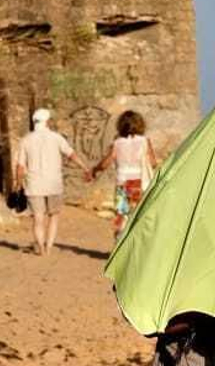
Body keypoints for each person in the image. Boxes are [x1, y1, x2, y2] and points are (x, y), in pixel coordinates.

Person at [85, 109, 158, 240]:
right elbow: (153, 163)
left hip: (122, 184)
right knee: (138, 216)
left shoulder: (117, 143)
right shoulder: (145, 142)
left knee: (121, 215)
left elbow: (105, 163)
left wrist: (94, 170)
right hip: (139, 183)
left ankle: (119, 243)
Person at [14, 107, 75, 255]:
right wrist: (86, 168)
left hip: (34, 185)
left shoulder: (26, 140)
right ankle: (48, 248)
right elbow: (71, 154)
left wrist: (17, 184)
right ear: (47, 122)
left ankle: (40, 248)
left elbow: (20, 166)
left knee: (38, 218)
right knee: (53, 217)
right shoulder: (56, 137)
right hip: (54, 184)